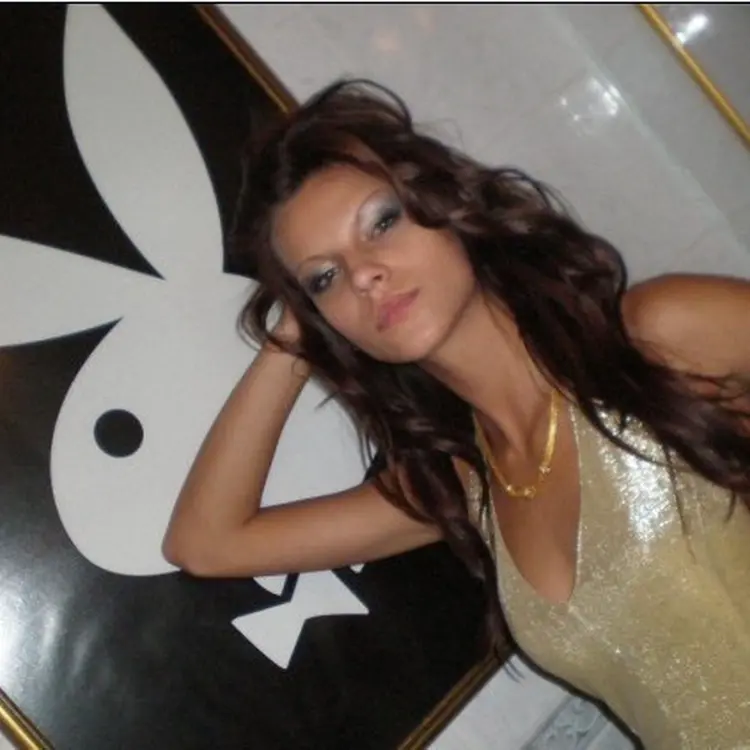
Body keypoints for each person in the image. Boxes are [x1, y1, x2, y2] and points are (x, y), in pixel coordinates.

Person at [163, 79, 750, 748]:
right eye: (326, 277)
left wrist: (323, 283)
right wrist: (297, 333)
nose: (364, 274)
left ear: (445, 204)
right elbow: (206, 542)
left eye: (382, 222)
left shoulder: (657, 337)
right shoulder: (463, 485)